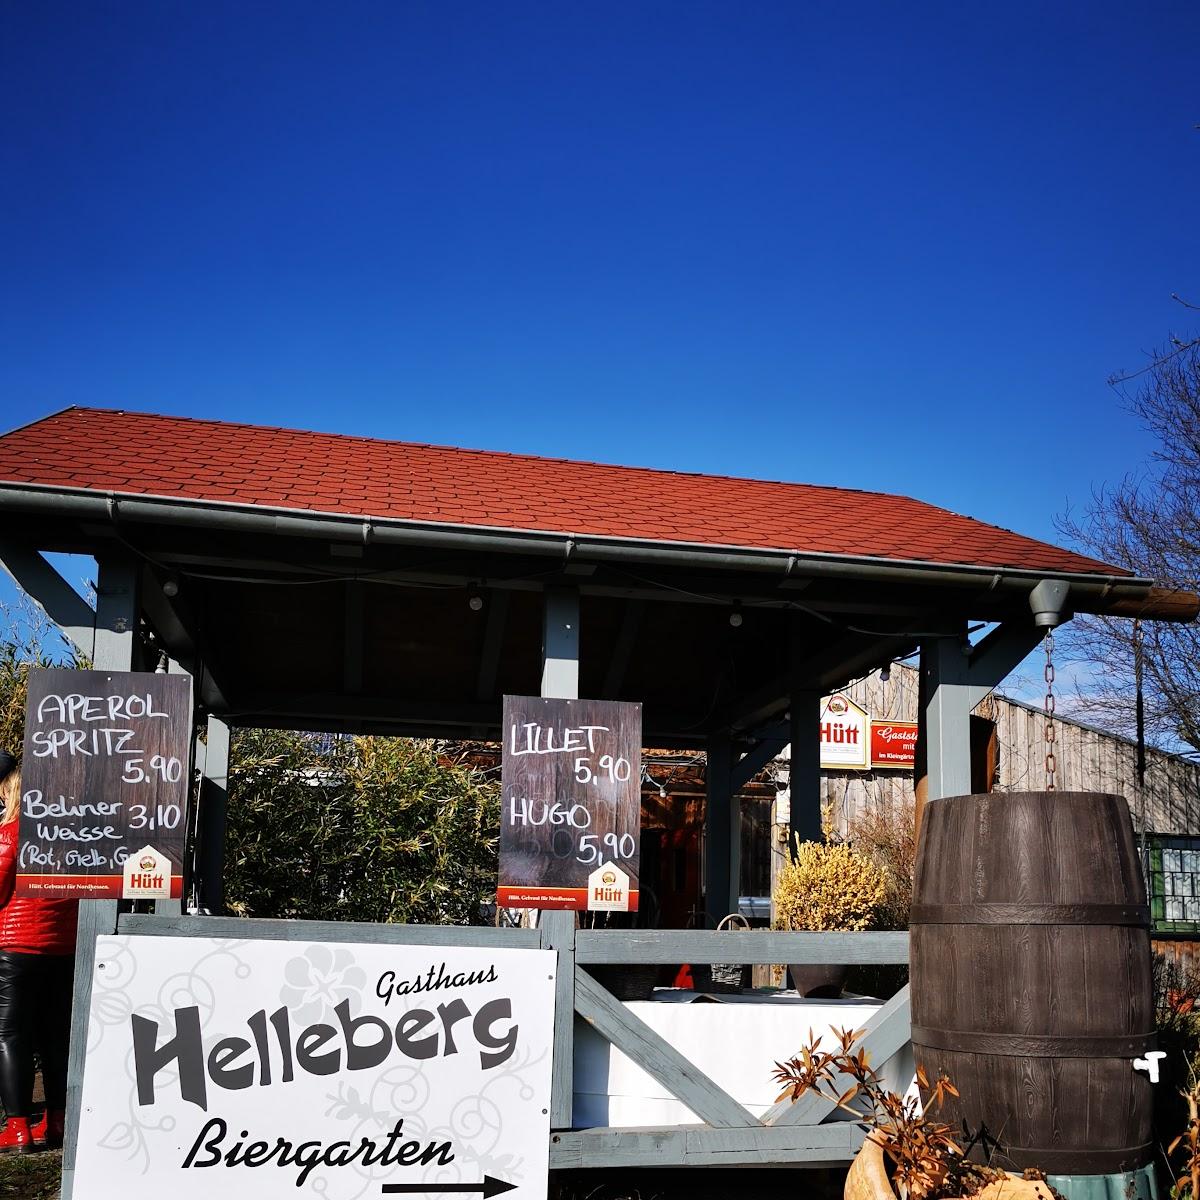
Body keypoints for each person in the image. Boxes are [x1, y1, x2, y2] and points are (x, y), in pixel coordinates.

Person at [0, 750, 78, 1155]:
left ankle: (17, 1128)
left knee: (10, 1035)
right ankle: (57, 1120)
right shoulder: (72, 836)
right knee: (53, 1037)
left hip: (15, 946)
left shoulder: (11, 832)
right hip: (63, 948)